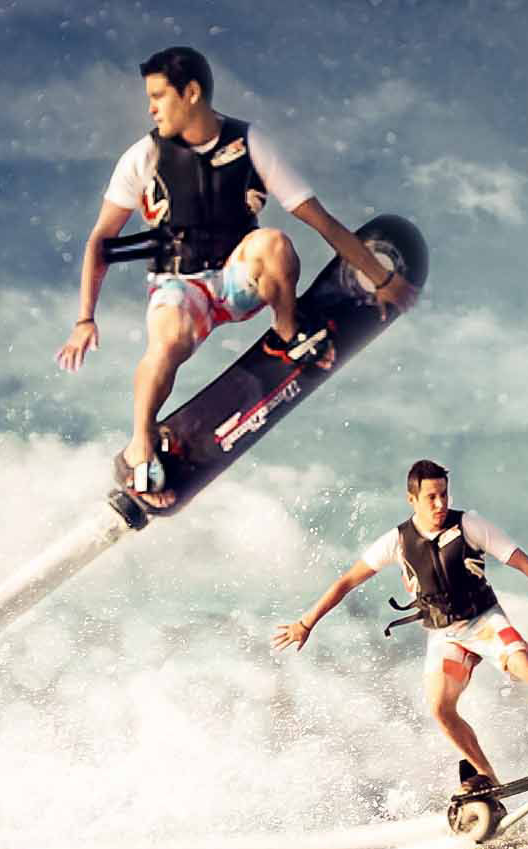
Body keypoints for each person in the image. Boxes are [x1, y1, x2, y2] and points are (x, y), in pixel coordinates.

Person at [53, 46, 420, 513]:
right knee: (167, 340)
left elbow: (319, 219)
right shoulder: (143, 157)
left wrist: (378, 276)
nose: (151, 109)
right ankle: (139, 447)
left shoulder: (250, 144)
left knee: (274, 244)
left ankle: (287, 334)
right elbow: (100, 241)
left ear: (191, 93)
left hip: (235, 279)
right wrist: (84, 318)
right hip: (179, 287)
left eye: (159, 97)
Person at [271, 460, 528, 796]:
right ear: (412, 499)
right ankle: (487, 780)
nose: (440, 504)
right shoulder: (397, 541)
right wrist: (306, 623)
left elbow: (523, 562)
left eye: (444, 494)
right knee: (440, 709)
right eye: (431, 497)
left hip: (484, 621)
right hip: (447, 636)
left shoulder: (469, 525)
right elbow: (347, 582)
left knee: (525, 665)